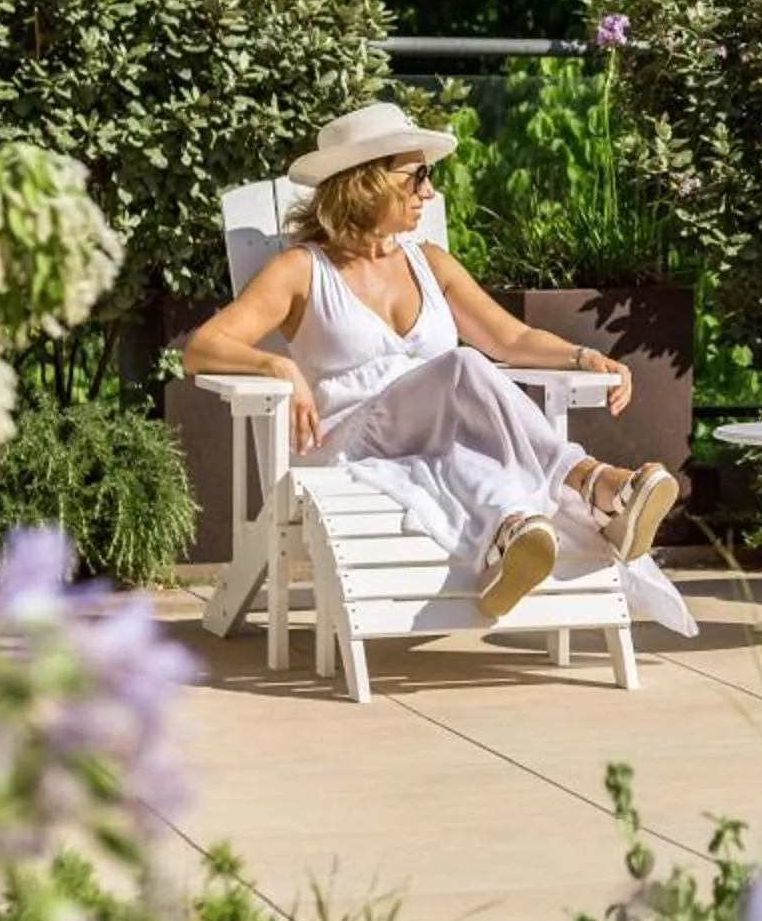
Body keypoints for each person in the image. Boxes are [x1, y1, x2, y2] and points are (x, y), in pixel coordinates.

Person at [185, 103, 695, 635]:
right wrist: (276, 365)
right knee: (461, 365)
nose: (428, 192)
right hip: (350, 444)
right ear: (367, 183)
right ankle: (593, 483)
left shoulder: (429, 262)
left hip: (431, 441)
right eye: (418, 175)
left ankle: (511, 538)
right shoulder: (301, 270)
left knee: (465, 443)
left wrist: (583, 356)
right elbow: (202, 347)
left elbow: (511, 338)